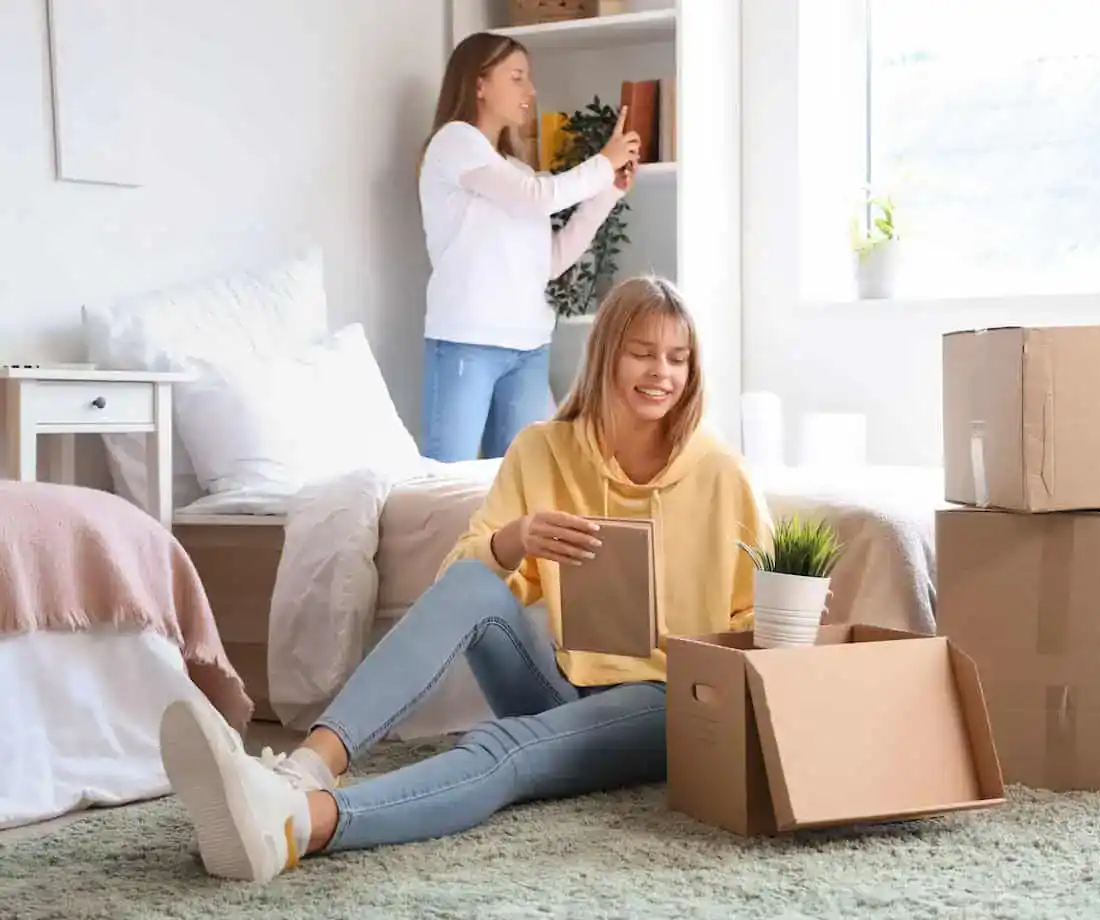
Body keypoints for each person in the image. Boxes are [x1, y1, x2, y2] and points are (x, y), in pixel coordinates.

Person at [157, 276, 774, 883]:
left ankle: (296, 825)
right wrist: (517, 538)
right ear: (607, 355)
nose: (661, 372)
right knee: (476, 585)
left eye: (678, 358)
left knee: (503, 747)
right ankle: (305, 769)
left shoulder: (722, 473)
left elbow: (767, 618)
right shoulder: (542, 450)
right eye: (643, 353)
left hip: (666, 704)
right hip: (565, 681)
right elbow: (458, 586)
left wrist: (702, 670)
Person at [417, 31, 643, 462]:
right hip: (468, 342)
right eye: (517, 77)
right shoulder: (455, 142)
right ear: (479, 84)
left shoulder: (517, 169)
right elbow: (540, 197)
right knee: (448, 487)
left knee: (523, 492)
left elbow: (551, 261)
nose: (531, 90)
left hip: (528, 347)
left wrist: (606, 192)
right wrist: (603, 162)